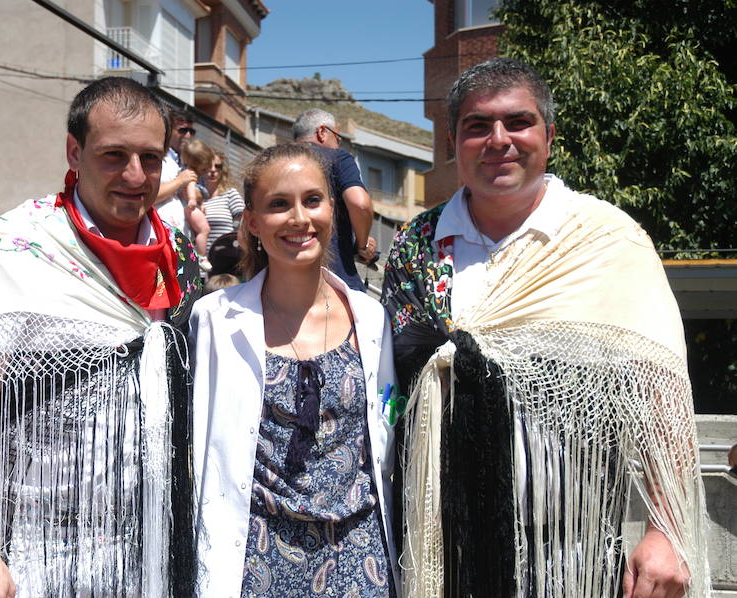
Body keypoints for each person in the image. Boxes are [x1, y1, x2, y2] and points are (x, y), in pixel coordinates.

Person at [381, 57, 709, 598]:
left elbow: (662, 392)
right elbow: (393, 387)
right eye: (477, 126)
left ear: (549, 137)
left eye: (518, 122)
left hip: (571, 550)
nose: (499, 140)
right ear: (453, 141)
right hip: (443, 547)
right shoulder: (416, 245)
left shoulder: (605, 241)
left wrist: (666, 529)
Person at [0, 77, 201, 597]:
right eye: (113, 155)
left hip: (151, 550)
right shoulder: (16, 248)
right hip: (39, 550)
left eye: (150, 159)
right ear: (74, 152)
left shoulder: (178, 255)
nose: (135, 175)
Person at [191, 143, 399, 598]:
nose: (299, 219)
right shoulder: (212, 319)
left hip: (360, 558)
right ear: (252, 222)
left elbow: (387, 421)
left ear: (332, 210)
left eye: (312, 200)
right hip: (254, 559)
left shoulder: (371, 318)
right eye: (278, 204)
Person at [293, 109, 376, 291]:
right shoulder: (338, 158)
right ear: (322, 132)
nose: (338, 144)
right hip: (337, 280)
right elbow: (360, 204)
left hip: (279, 285)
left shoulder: (271, 161)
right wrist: (362, 245)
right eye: (338, 138)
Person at [155, 108, 197, 232]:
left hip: (183, 237)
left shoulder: (189, 161)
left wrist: (195, 195)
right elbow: (148, 197)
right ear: (168, 131)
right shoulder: (158, 159)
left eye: (191, 131)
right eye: (182, 130)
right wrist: (179, 182)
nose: (188, 135)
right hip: (161, 233)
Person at [178, 139, 213, 265]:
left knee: (199, 231)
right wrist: (192, 199)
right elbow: (191, 186)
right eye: (204, 168)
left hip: (193, 206)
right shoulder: (191, 174)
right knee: (204, 229)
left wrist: (201, 204)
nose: (206, 171)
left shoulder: (196, 174)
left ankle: (198, 253)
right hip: (190, 206)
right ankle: (202, 257)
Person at [202, 152, 243, 254]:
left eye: (217, 166)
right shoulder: (197, 199)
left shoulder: (230, 194)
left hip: (227, 259)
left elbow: (244, 224)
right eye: (208, 166)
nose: (213, 170)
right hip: (201, 264)